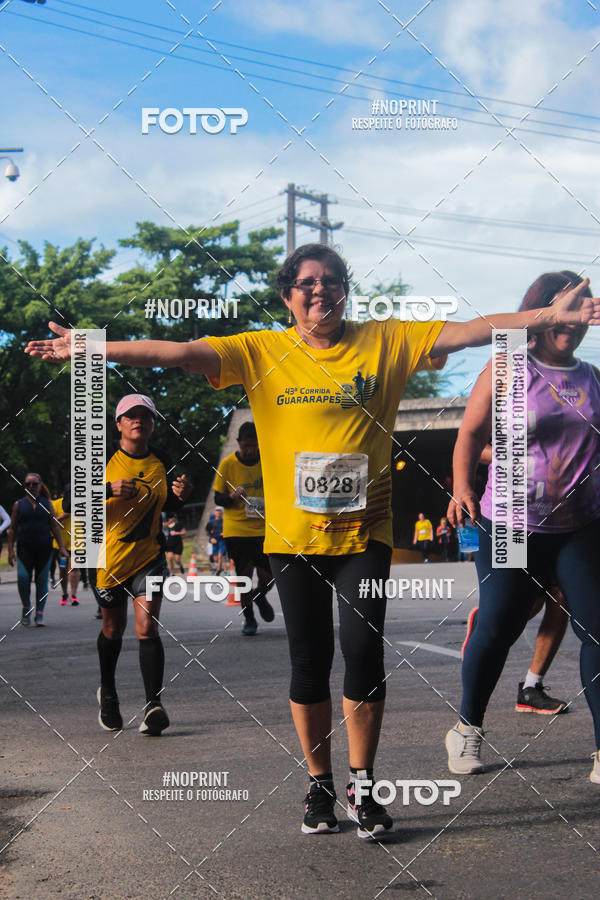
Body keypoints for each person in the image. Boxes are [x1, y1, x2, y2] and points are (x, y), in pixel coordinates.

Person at [26, 245, 600, 833]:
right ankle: (319, 786)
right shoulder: (260, 351)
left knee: (363, 656)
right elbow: (174, 353)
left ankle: (365, 788)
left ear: (345, 289)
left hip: (364, 537)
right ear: (286, 295)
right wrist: (92, 346)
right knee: (308, 662)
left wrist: (548, 316)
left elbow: (475, 331)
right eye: (306, 283)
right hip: (292, 540)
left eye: (331, 281)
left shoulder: (386, 340)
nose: (319, 291)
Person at [445, 271, 600, 783]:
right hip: (510, 521)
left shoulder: (592, 378)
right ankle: (467, 726)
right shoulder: (510, 365)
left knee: (597, 629)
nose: (572, 324)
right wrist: (462, 487)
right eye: (563, 310)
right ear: (540, 313)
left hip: (579, 527)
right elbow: (468, 433)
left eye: (582, 312)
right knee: (498, 627)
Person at [87, 394, 192, 735]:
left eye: (145, 416)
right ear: (118, 424)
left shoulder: (162, 459)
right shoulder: (100, 458)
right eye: (130, 416)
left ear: (152, 423)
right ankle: (109, 693)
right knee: (112, 630)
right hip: (106, 559)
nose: (138, 421)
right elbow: (69, 498)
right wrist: (108, 488)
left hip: (149, 557)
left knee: (146, 628)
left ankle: (153, 705)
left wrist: (182, 494)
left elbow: (169, 508)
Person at [461, 444, 569, 715]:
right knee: (522, 605)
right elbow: (471, 444)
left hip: (561, 517)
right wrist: (525, 457)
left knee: (561, 597)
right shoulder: (502, 400)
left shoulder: (579, 401)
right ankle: (487, 624)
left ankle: (532, 686)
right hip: (512, 516)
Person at [214, 420, 275, 636]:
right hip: (237, 530)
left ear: (259, 443)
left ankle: (260, 594)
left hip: (263, 529)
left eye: (252, 445)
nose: (248, 450)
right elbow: (218, 497)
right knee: (244, 577)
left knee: (271, 573)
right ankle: (249, 618)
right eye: (244, 446)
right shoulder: (228, 465)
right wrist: (231, 496)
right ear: (238, 443)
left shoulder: (268, 461)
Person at [7, 474, 68, 626]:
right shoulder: (18, 505)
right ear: (25, 486)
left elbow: (54, 526)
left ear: (40, 485)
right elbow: (12, 529)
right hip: (24, 549)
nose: (31, 487)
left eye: (34, 484)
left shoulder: (47, 504)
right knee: (23, 578)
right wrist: (10, 550)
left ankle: (40, 612)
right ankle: (26, 608)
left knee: (41, 581)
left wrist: (62, 548)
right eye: (28, 484)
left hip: (44, 549)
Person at [52, 489, 80, 607]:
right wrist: (63, 516)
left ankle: (74, 595)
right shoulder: (54, 504)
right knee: (63, 569)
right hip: (60, 544)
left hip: (78, 542)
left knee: (74, 569)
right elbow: (51, 523)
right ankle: (64, 593)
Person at [205, 507, 226, 574]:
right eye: (217, 511)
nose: (218, 512)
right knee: (215, 558)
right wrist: (211, 538)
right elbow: (207, 532)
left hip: (222, 541)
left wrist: (224, 533)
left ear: (222, 513)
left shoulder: (224, 521)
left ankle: (218, 569)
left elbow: (229, 530)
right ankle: (220, 567)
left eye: (220, 511)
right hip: (214, 541)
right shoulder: (211, 522)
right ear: (215, 512)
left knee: (220, 555)